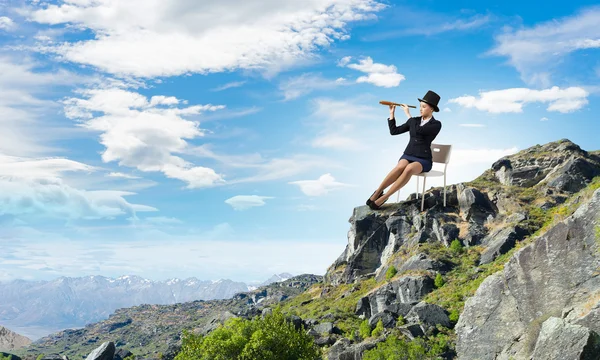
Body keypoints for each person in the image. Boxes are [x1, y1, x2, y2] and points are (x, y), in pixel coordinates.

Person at [366, 90, 442, 210]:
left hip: (423, 159)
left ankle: (385, 197)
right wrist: (392, 114)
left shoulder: (436, 124)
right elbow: (394, 131)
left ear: (432, 109)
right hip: (409, 154)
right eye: (420, 106)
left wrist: (408, 115)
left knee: (409, 169)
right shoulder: (415, 121)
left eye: (423, 107)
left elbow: (419, 131)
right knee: (400, 167)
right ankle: (378, 192)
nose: (420, 109)